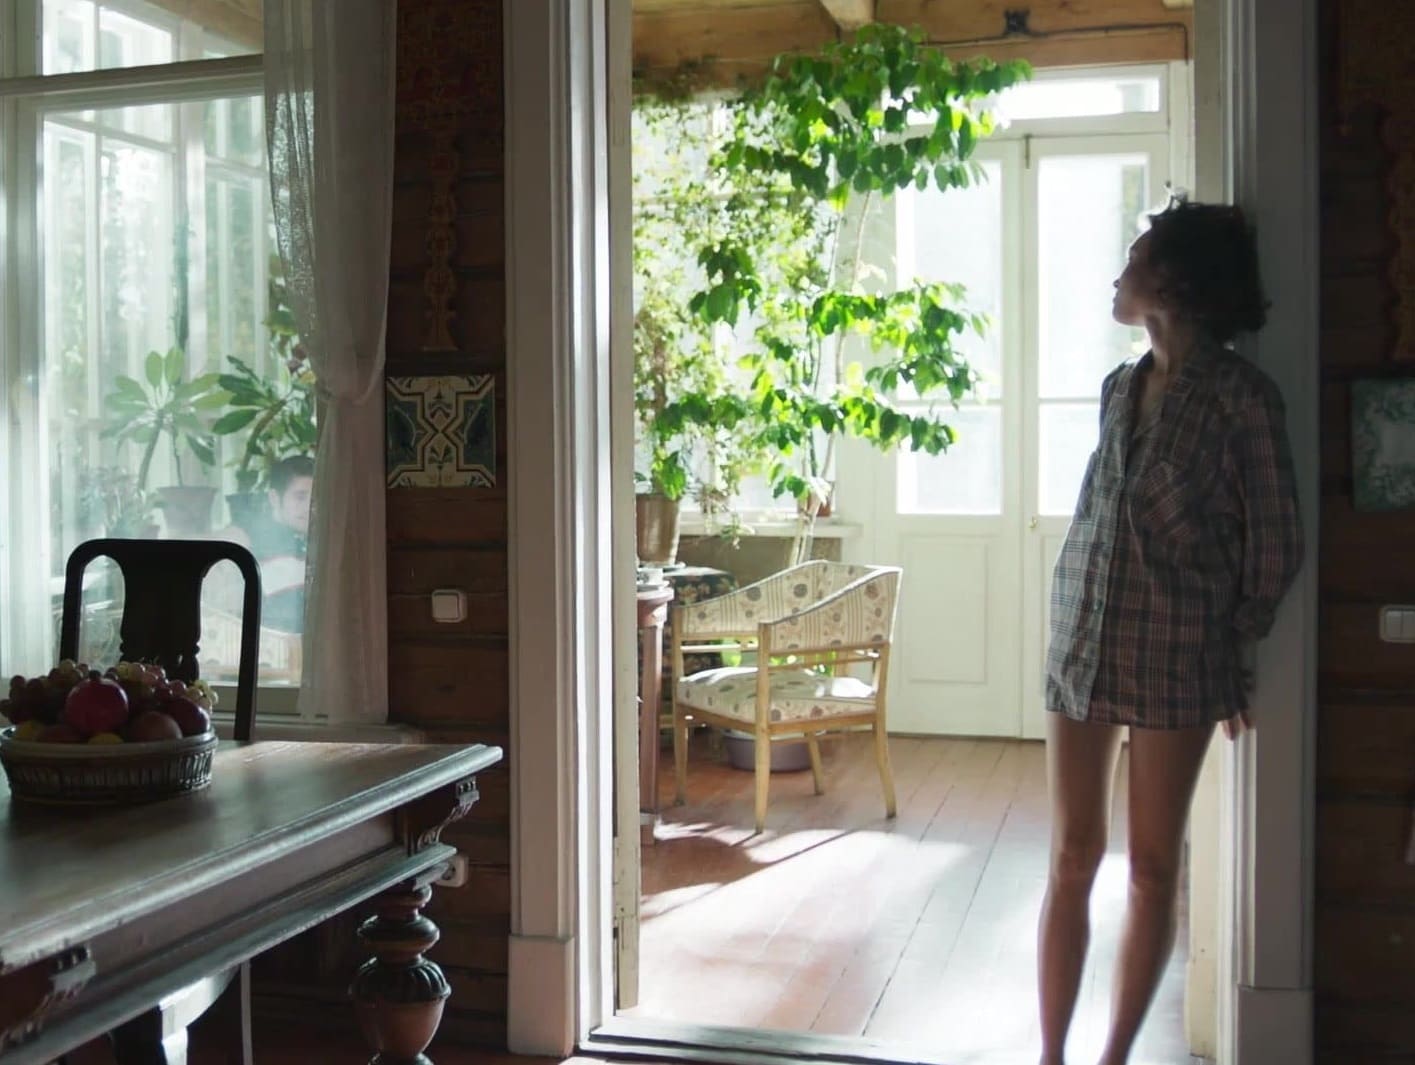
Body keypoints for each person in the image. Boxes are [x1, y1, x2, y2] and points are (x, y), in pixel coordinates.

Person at [1037, 198, 1304, 1065]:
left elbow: (1276, 542)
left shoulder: (1241, 400)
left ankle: (1111, 1058)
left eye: (1136, 256)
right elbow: (1099, 513)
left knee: (1152, 869)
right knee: (1070, 855)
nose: (1119, 274)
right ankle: (1049, 1056)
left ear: (1176, 281)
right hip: (1082, 640)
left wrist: (1234, 650)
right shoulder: (1118, 387)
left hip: (1177, 656)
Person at [221, 455, 313, 634]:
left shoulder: (321, 541)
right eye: (300, 497)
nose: (309, 506)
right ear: (274, 498)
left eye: (315, 497)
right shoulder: (248, 538)